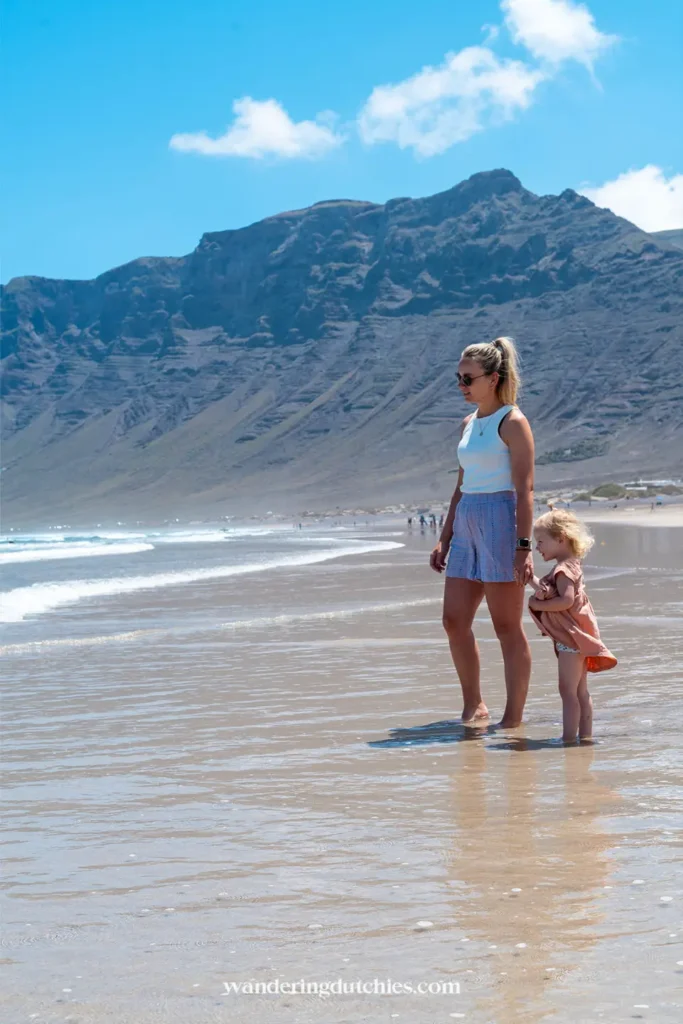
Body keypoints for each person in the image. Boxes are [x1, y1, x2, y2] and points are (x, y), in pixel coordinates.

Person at [430, 336, 535, 727]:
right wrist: (444, 537)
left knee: (507, 626)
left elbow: (524, 490)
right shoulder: (469, 423)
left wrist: (523, 548)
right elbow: (461, 485)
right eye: (458, 378)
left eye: (468, 378)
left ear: (492, 378)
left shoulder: (513, 421)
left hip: (500, 518)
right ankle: (474, 704)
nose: (461, 386)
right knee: (453, 620)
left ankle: (513, 717)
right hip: (468, 517)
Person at [527, 510, 617, 744]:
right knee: (580, 692)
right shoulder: (570, 565)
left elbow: (564, 601)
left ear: (561, 538)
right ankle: (585, 737)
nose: (537, 548)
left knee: (567, 692)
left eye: (540, 542)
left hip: (569, 640)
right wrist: (531, 580)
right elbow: (552, 591)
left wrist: (536, 603)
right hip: (578, 638)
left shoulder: (562, 570)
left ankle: (567, 741)